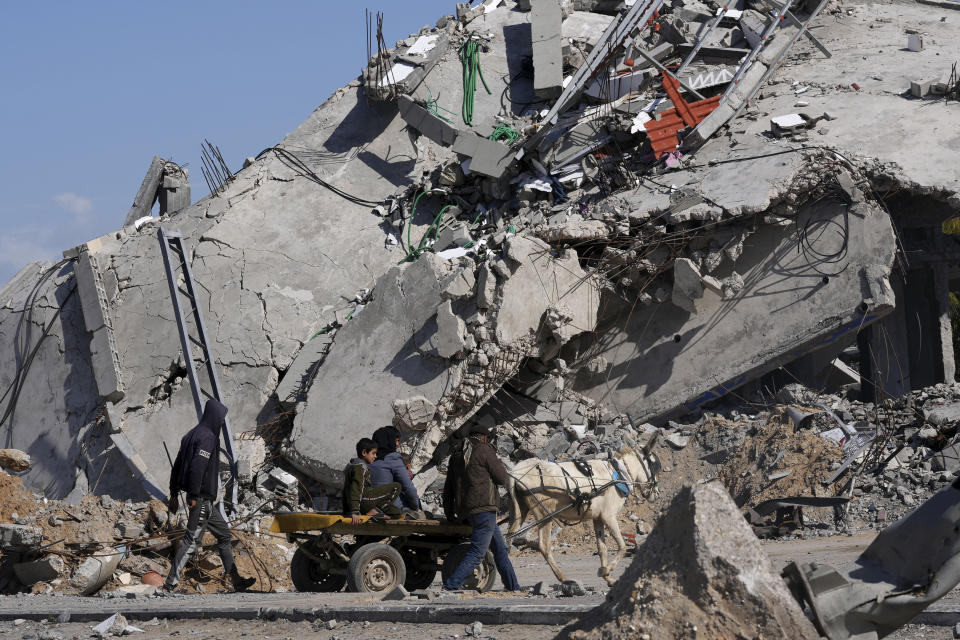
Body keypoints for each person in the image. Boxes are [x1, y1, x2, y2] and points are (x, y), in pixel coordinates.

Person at [163, 399, 255, 593]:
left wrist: (173, 493)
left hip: (204, 500)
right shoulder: (208, 437)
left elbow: (177, 467)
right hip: (201, 497)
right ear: (214, 417)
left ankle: (236, 581)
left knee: (224, 534)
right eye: (221, 419)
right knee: (192, 539)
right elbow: (197, 468)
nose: (222, 422)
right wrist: (194, 495)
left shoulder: (190, 434)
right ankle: (169, 585)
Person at [442, 423, 520, 592]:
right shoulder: (484, 450)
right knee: (477, 552)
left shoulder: (456, 455)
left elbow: (448, 489)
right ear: (484, 437)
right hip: (485, 509)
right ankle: (450, 586)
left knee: (500, 550)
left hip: (468, 511)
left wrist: (450, 514)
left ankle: (513, 587)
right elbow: (501, 477)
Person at [342, 438, 404, 525]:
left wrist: (347, 510)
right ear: (364, 453)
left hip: (360, 504)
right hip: (364, 501)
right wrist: (355, 511)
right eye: (373, 453)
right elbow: (356, 488)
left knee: (396, 512)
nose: (375, 456)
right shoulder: (360, 467)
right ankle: (375, 511)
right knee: (396, 486)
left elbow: (345, 491)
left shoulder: (351, 466)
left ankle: (379, 514)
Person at [369, 426, 421, 514]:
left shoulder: (369, 458)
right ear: (388, 441)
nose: (397, 444)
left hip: (369, 505)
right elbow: (409, 488)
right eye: (396, 440)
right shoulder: (393, 458)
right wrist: (416, 508)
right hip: (390, 507)